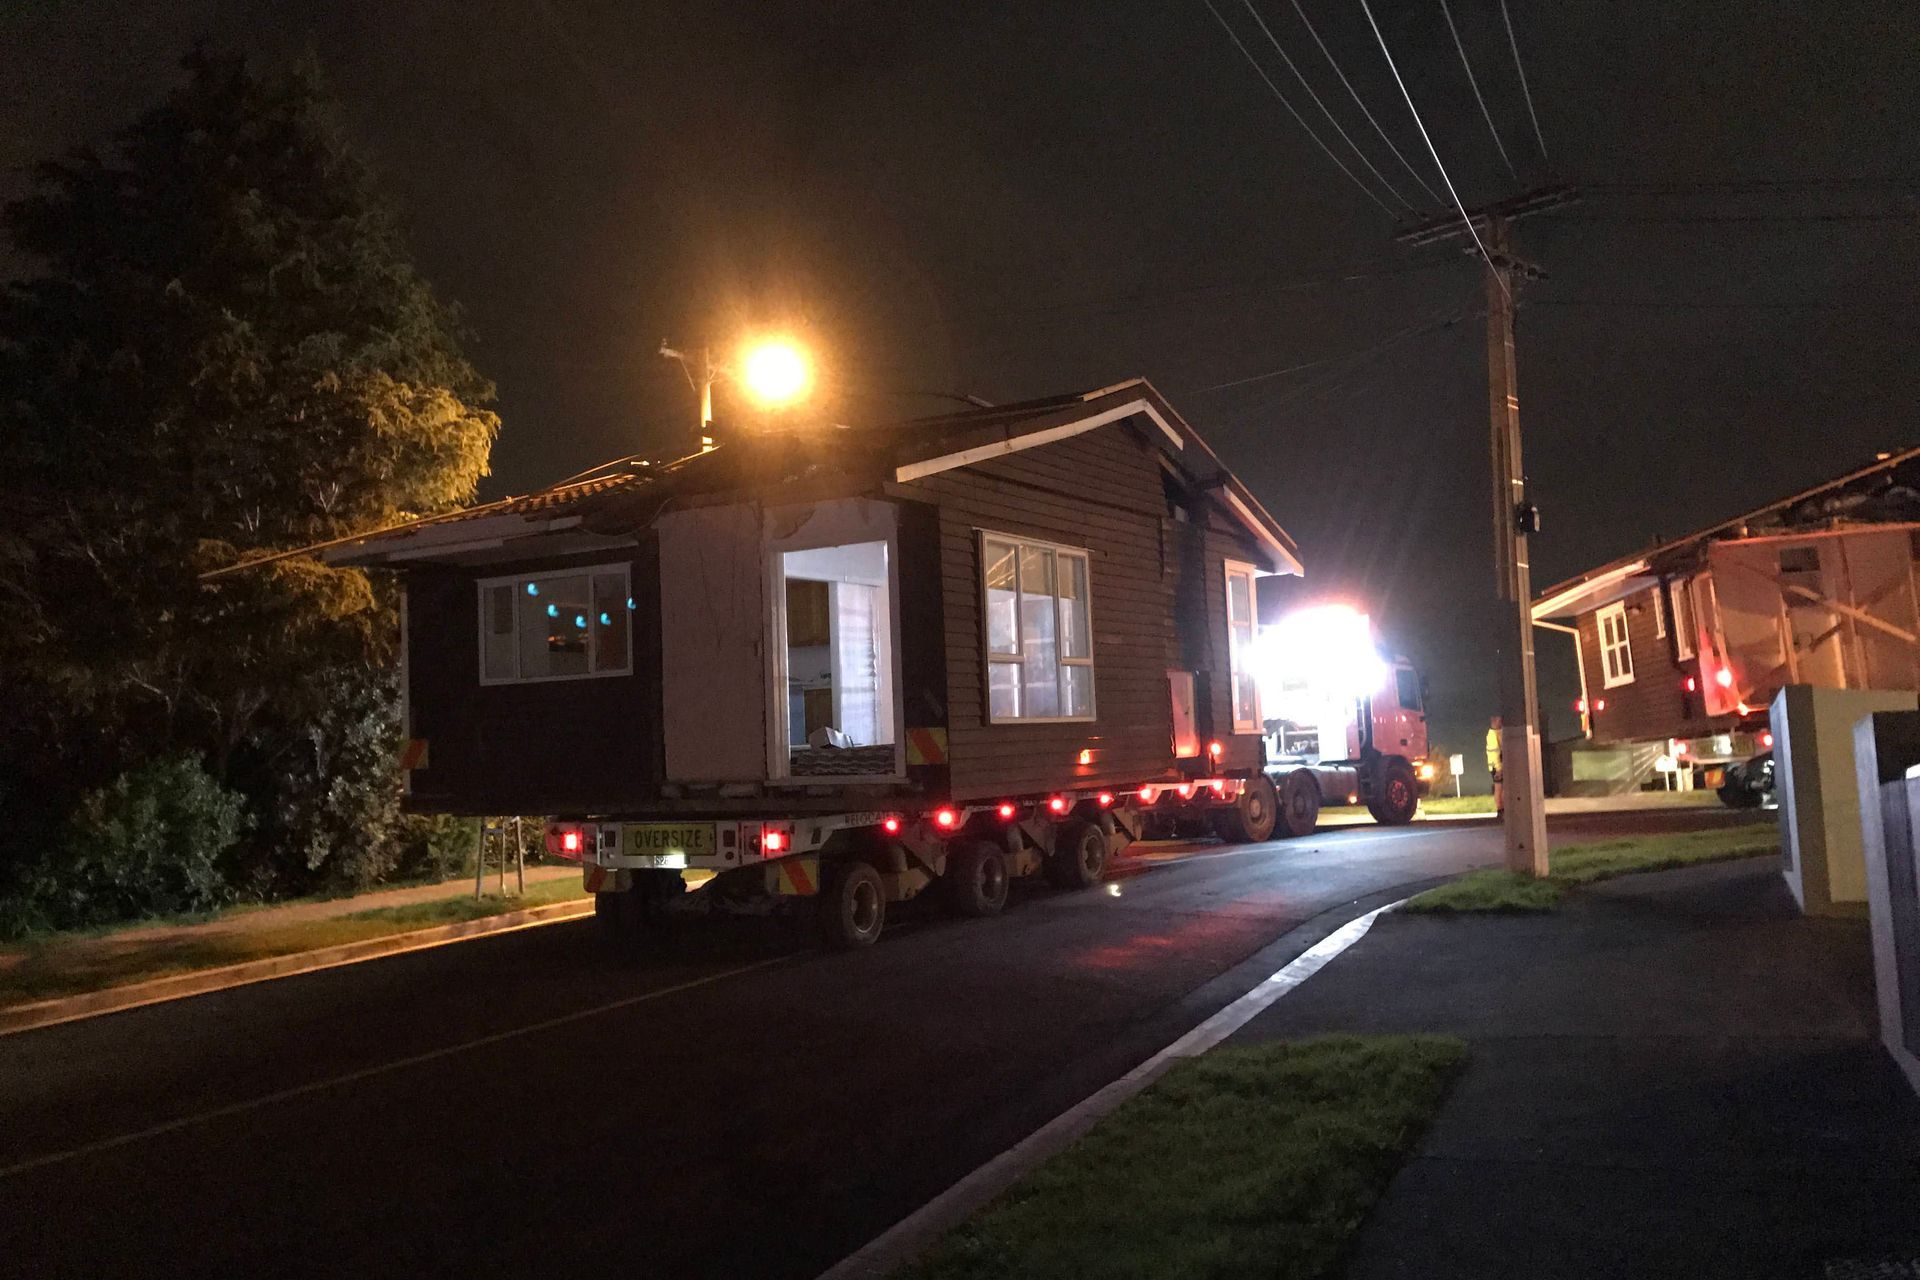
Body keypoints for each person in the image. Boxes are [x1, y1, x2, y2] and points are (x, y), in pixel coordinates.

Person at [1486, 715, 1504, 815]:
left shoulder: (1498, 733)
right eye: (1499, 720)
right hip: (1497, 767)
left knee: (1502, 788)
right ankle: (1500, 809)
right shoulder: (1492, 735)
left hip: (1499, 766)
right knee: (1499, 788)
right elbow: (1494, 753)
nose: (1501, 722)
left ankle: (1502, 808)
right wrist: (1498, 768)